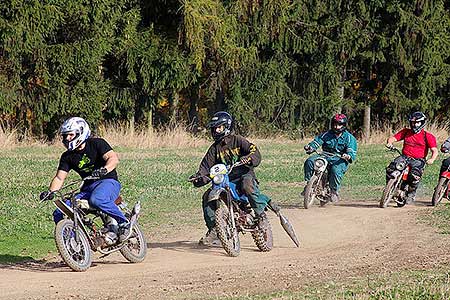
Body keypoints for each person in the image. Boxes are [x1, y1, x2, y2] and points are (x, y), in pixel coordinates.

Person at [39, 117, 130, 242]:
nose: (67, 139)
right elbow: (60, 177)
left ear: (81, 132)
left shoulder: (97, 143)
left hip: (108, 181)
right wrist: (50, 192)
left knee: (97, 199)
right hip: (88, 188)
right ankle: (71, 244)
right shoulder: (67, 156)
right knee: (59, 212)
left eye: (70, 135)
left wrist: (104, 169)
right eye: (65, 136)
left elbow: (113, 158)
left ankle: (124, 222)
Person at [189, 111, 271, 245]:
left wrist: (248, 158)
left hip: (245, 174)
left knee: (247, 185)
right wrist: (198, 178)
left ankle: (260, 215)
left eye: (219, 127)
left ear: (226, 126)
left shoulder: (237, 140)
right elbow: (205, 167)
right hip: (226, 179)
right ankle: (215, 229)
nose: (215, 131)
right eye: (214, 128)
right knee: (207, 196)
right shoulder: (214, 149)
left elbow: (254, 151)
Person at [303, 113, 358, 203]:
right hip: (325, 155)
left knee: (336, 170)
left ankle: (333, 191)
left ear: (344, 125)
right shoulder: (326, 134)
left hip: (339, 159)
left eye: (339, 125)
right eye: (335, 124)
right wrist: (310, 147)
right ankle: (309, 184)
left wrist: (348, 156)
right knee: (309, 161)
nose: (336, 127)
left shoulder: (349, 138)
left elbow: (351, 151)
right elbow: (317, 142)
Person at [385, 111, 438, 203]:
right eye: (412, 122)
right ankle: (390, 188)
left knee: (414, 175)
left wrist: (432, 159)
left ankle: (411, 193)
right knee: (391, 169)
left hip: (418, 160)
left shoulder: (428, 136)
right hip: (404, 157)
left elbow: (434, 150)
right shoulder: (406, 132)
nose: (414, 125)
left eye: (417, 122)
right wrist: (389, 143)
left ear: (422, 123)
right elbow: (393, 138)